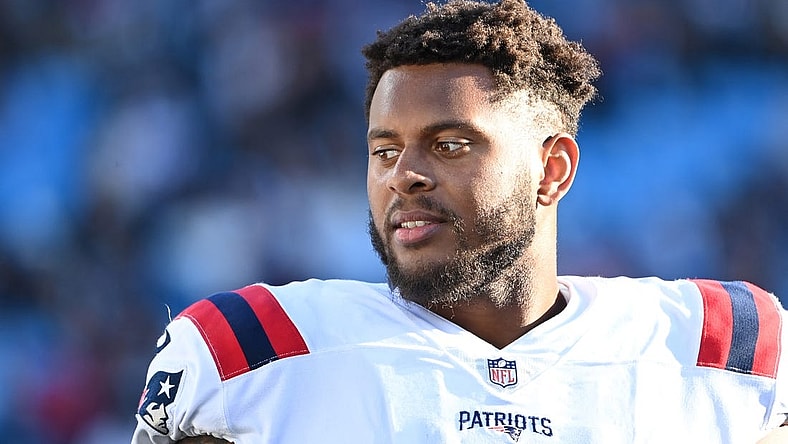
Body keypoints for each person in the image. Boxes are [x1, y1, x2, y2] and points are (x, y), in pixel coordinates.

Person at [131, 1, 788, 443]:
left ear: (552, 169)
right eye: (384, 150)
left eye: (450, 144)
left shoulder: (726, 353)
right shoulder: (251, 353)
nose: (403, 175)